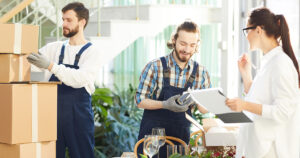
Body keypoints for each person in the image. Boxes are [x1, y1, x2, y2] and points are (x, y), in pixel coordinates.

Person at [27, 2, 101, 158]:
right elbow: (27, 64)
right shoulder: (54, 48)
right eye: (63, 19)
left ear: (82, 22)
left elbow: (79, 79)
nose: (64, 24)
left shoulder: (92, 52)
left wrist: (51, 66)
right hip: (53, 116)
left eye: (69, 20)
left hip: (79, 118)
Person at [225, 8, 300, 158]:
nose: (246, 36)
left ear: (258, 30)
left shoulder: (281, 63)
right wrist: (246, 75)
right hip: (260, 149)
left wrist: (244, 105)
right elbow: (262, 99)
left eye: (247, 30)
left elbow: (282, 111)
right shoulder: (269, 61)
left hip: (272, 150)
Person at [135, 20, 211, 158]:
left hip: (180, 140)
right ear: (174, 40)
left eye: (192, 45)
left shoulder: (201, 73)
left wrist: (210, 99)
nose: (187, 50)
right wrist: (164, 104)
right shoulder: (155, 67)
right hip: (153, 141)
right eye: (183, 44)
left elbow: (203, 109)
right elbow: (140, 100)